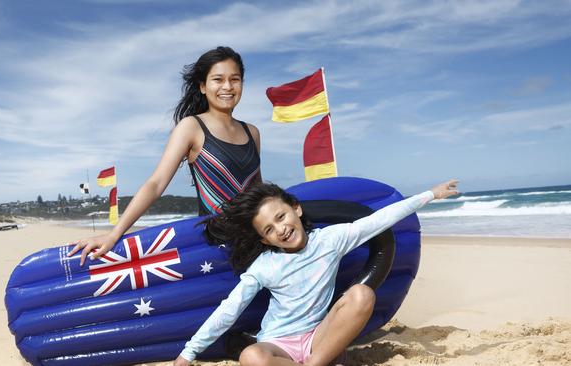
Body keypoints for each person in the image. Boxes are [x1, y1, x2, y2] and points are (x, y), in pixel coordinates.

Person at [174, 179, 459, 366]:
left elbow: (378, 220)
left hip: (319, 339)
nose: (281, 229)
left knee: (361, 294)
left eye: (281, 217)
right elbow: (229, 310)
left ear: (296, 209)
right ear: (264, 240)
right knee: (251, 356)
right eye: (269, 230)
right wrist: (188, 353)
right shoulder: (264, 267)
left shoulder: (331, 240)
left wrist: (430, 195)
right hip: (279, 346)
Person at [68, 46, 262, 265]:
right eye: (218, 79)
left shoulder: (252, 132)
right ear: (202, 87)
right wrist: (115, 234)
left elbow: (257, 189)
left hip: (256, 238)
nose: (227, 86)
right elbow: (156, 183)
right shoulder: (192, 127)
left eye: (235, 79)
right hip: (217, 245)